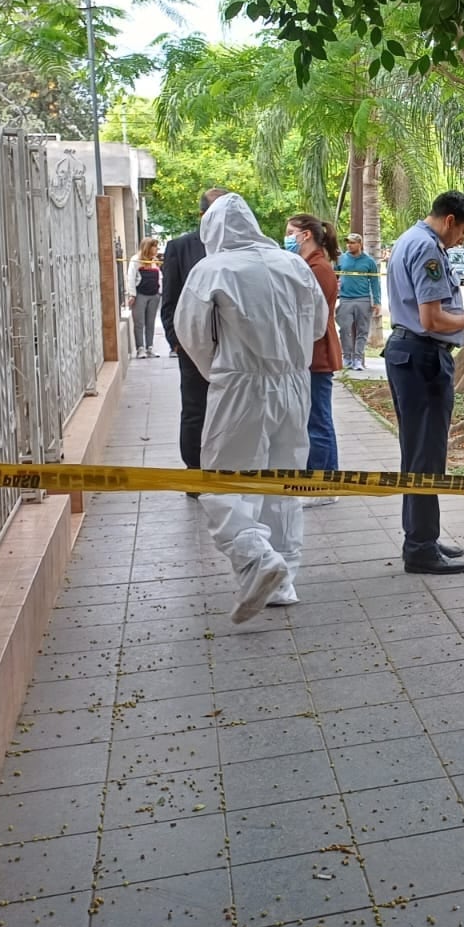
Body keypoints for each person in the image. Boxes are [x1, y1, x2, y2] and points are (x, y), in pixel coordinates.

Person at [175, 194, 326, 620]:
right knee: (282, 484)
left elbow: (191, 334)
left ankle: (255, 557)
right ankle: (283, 580)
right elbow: (317, 325)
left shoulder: (214, 268)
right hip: (295, 386)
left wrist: (219, 372)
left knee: (221, 481)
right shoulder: (293, 263)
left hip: (241, 385)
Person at [384, 192, 464, 575]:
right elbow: (432, 319)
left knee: (421, 453)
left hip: (410, 354)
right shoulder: (428, 250)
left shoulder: (408, 240)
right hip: (423, 357)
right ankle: (419, 546)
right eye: (463, 231)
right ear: (449, 220)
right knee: (424, 456)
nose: (462, 239)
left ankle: (424, 536)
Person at [160, 187, 229, 486]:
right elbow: (170, 300)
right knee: (195, 409)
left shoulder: (240, 249)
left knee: (232, 409)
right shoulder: (181, 247)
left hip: (236, 349)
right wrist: (177, 340)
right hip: (194, 347)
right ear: (202, 216)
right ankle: (196, 472)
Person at [286, 213, 344, 506]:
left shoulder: (318, 269)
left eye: (290, 232)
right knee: (315, 419)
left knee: (317, 421)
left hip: (317, 354)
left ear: (305, 235)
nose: (287, 238)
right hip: (311, 354)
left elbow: (312, 318)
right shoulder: (310, 266)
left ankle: (322, 485)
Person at [335, 232, 381, 371]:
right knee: (344, 329)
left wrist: (377, 301)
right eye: (348, 242)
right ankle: (347, 357)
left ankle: (357, 359)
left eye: (352, 242)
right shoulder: (341, 259)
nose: (349, 245)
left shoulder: (369, 261)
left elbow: (374, 282)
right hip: (345, 299)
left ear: (359, 244)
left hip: (363, 299)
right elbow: (334, 275)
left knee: (362, 330)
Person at [126, 238, 163, 359]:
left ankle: (150, 348)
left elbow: (160, 278)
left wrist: (160, 292)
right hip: (140, 294)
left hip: (154, 295)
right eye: (155, 246)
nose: (157, 249)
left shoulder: (155, 261)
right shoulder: (136, 260)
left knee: (150, 323)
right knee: (139, 323)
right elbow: (131, 277)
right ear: (148, 247)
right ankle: (140, 348)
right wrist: (132, 294)